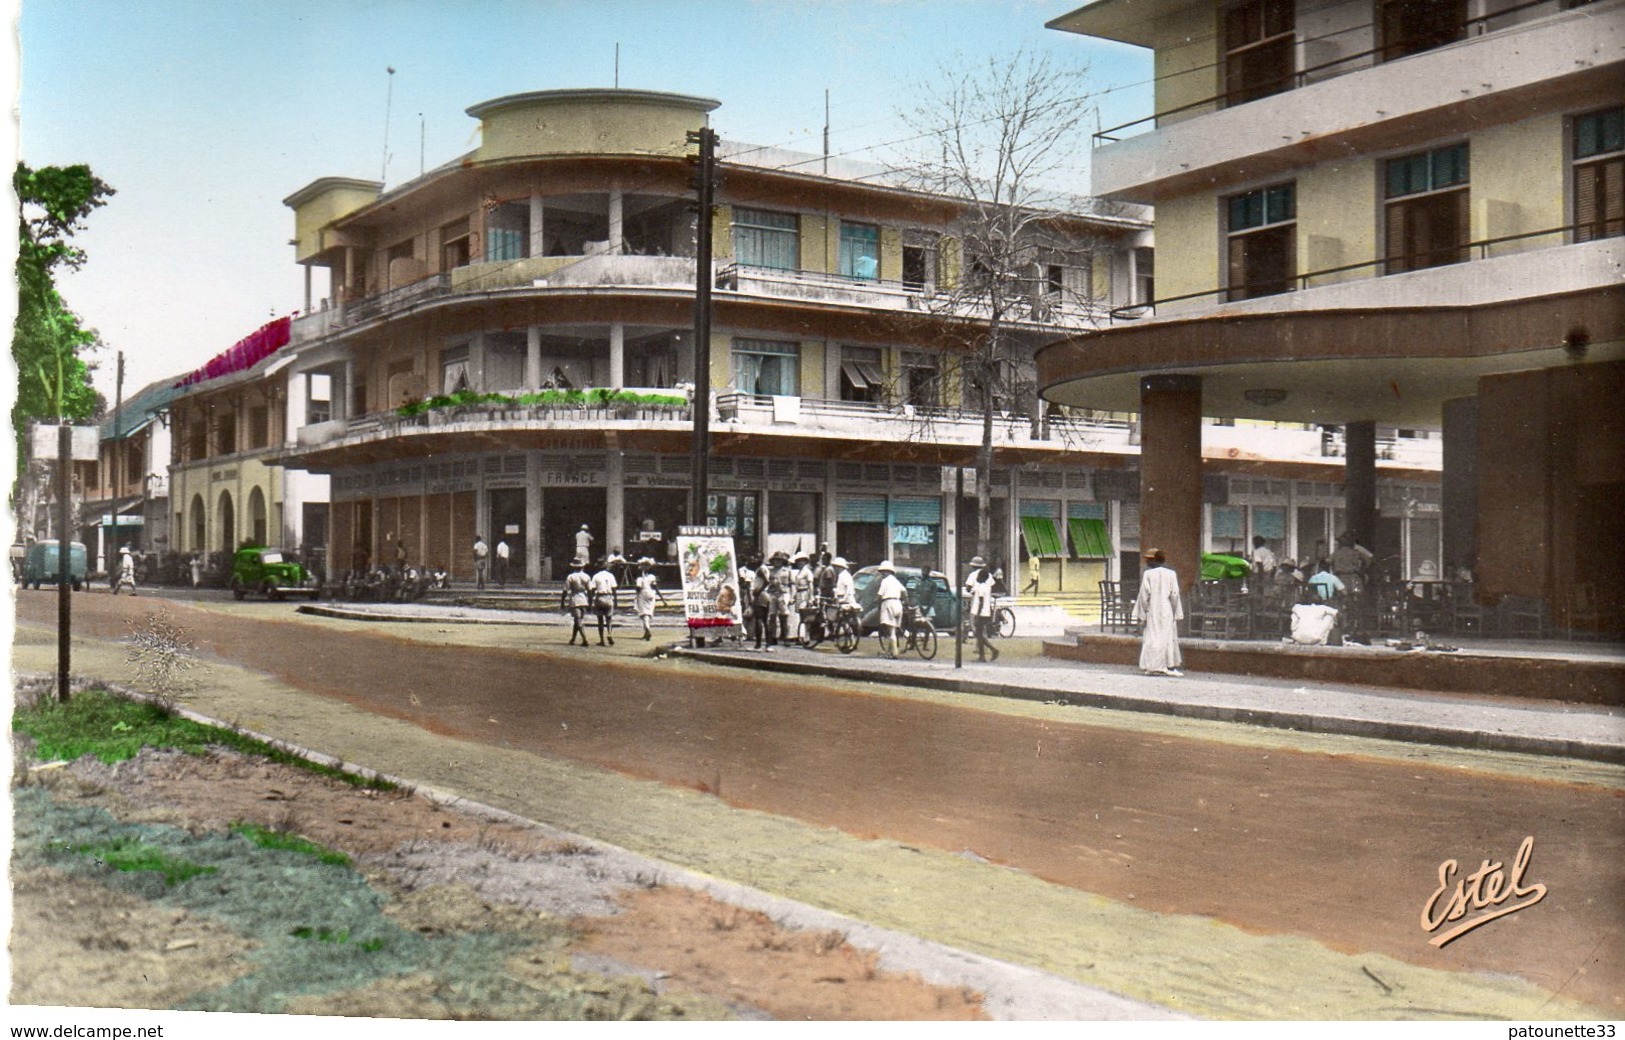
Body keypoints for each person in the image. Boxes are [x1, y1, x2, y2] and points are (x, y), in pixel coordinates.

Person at [1133, 548, 1184, 677]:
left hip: (1153, 608)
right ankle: (1169, 666)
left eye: (1149, 559)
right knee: (1167, 636)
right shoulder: (1171, 574)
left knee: (1153, 636)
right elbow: (1175, 594)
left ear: (1156, 559)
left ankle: (1152, 666)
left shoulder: (1148, 574)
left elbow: (1144, 595)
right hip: (1166, 608)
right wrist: (1173, 610)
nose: (1147, 562)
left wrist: (1144, 612)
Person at [963, 557, 999, 662]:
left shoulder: (974, 577)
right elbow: (992, 586)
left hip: (979, 610)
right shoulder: (988, 577)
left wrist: (977, 614)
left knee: (977, 632)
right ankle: (982, 655)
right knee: (979, 633)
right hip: (987, 609)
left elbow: (968, 588)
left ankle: (991, 650)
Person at [875, 560, 906, 658]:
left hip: (888, 603)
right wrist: (904, 600)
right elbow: (904, 591)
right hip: (898, 604)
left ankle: (895, 653)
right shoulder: (896, 581)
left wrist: (876, 601)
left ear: (888, 571)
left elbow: (879, 595)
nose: (882, 573)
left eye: (884, 571)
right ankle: (889, 651)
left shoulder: (885, 581)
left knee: (891, 631)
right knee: (893, 630)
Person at [561, 556, 591, 646]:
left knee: (578, 620)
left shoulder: (571, 577)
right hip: (584, 599)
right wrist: (590, 602)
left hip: (575, 599)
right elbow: (590, 591)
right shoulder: (586, 576)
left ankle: (585, 639)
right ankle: (573, 639)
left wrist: (562, 601)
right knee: (578, 620)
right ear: (582, 566)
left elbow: (565, 590)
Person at [589, 558, 618, 646]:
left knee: (600, 620)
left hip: (600, 598)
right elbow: (614, 589)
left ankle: (602, 640)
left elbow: (592, 590)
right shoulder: (611, 576)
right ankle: (609, 634)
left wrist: (591, 602)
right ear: (606, 566)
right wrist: (616, 600)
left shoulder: (596, 576)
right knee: (609, 619)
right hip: (608, 597)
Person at [633, 558, 665, 641]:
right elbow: (655, 587)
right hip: (651, 594)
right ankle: (645, 633)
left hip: (643, 594)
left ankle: (647, 629)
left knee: (644, 613)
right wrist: (662, 599)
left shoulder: (640, 578)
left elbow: (638, 588)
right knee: (648, 612)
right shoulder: (652, 577)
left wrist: (636, 595)